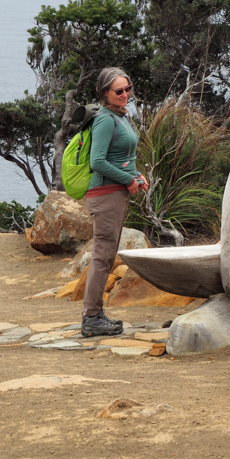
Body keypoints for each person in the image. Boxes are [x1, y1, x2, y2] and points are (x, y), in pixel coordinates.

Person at [81, 67, 148, 338]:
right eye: (118, 91)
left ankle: (95, 314)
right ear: (105, 93)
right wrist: (127, 180)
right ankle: (92, 317)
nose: (125, 95)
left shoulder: (121, 117)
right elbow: (97, 161)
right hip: (105, 195)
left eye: (127, 89)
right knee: (103, 256)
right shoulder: (105, 120)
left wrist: (135, 175)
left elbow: (122, 156)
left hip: (115, 193)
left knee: (107, 255)